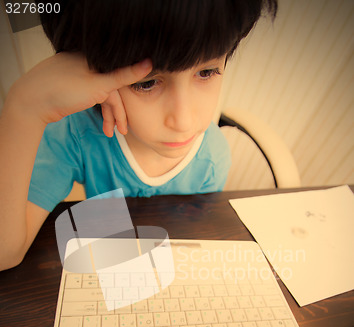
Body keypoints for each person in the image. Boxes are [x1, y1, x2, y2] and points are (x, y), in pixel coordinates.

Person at [0, 0, 277, 271]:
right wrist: (24, 108)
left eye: (206, 72)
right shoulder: (76, 134)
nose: (184, 122)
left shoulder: (212, 157)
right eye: (146, 83)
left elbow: (190, 236)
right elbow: (5, 254)